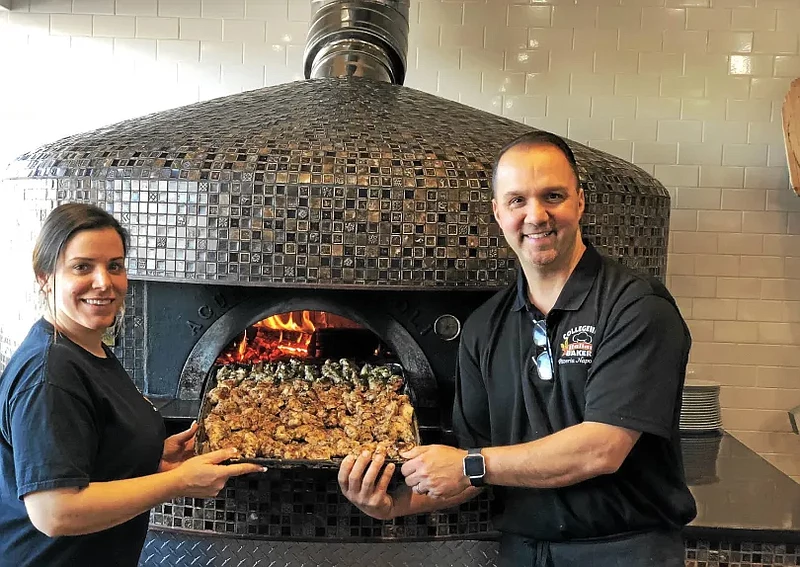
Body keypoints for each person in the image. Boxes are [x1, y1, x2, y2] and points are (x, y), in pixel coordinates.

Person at [338, 131, 697, 566]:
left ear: (579, 202)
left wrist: (471, 465)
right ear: (497, 212)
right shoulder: (485, 327)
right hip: (523, 551)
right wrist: (394, 505)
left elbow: (602, 448)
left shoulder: (635, 308)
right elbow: (472, 465)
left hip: (625, 549)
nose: (536, 215)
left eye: (553, 196)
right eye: (517, 201)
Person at [0, 203, 264, 567]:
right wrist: (180, 483)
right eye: (82, 267)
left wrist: (153, 459)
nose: (104, 283)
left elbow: (90, 457)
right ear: (45, 276)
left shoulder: (87, 350)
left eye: (115, 266)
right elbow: (54, 512)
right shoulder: (50, 372)